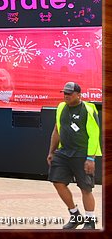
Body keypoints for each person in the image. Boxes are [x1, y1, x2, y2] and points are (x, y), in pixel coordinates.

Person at [47, 82, 101, 229]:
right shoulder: (61, 107)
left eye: (70, 93)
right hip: (63, 152)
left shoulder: (88, 109)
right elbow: (57, 130)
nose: (66, 96)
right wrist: (51, 152)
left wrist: (91, 158)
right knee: (57, 181)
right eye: (65, 93)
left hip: (82, 154)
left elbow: (94, 135)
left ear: (79, 95)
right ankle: (75, 214)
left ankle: (90, 221)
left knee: (85, 188)